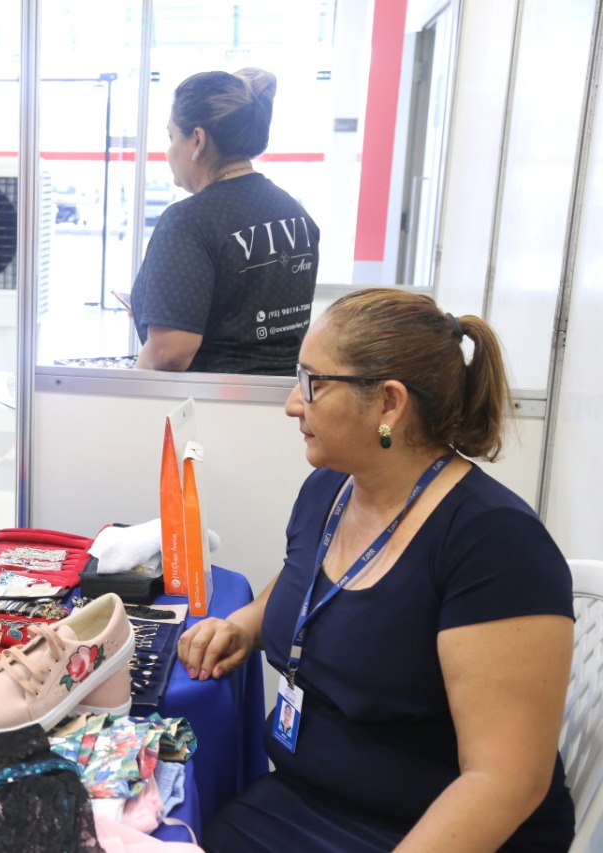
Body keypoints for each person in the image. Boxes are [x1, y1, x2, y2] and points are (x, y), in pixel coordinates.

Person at [178, 288, 575, 852]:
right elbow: (311, 584)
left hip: (428, 831)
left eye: (312, 384)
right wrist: (245, 622)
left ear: (388, 403)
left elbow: (506, 781)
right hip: (302, 800)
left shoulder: (495, 545)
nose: (294, 404)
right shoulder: (330, 488)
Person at [131, 68, 319, 375]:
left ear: (197, 140)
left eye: (171, 136)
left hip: (213, 406)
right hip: (282, 403)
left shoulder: (189, 221)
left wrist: (124, 393)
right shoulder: (295, 213)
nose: (168, 152)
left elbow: (169, 353)